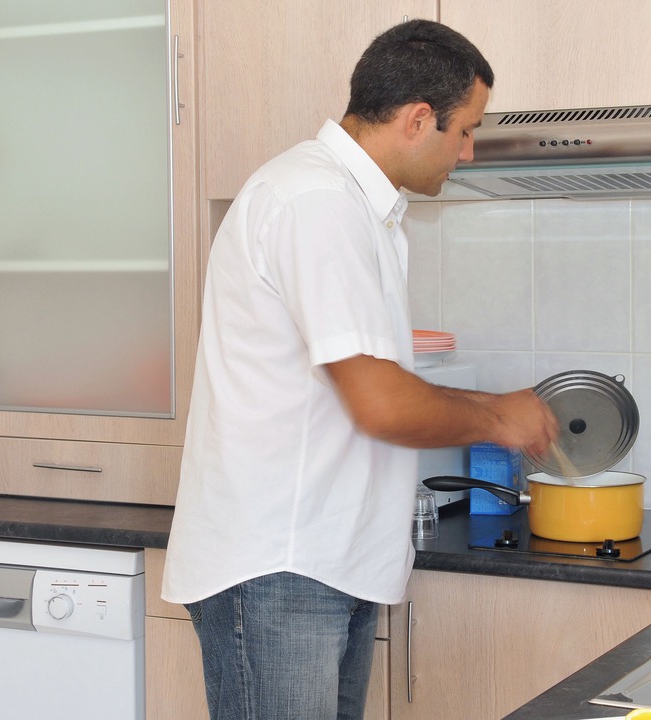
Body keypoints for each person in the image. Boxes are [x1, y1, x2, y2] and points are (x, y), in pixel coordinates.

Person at [161, 18, 557, 720]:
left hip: (319, 562)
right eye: (465, 130)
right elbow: (381, 403)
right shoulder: (317, 202)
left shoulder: (358, 208)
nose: (468, 153)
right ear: (417, 118)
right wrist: (499, 416)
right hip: (280, 564)